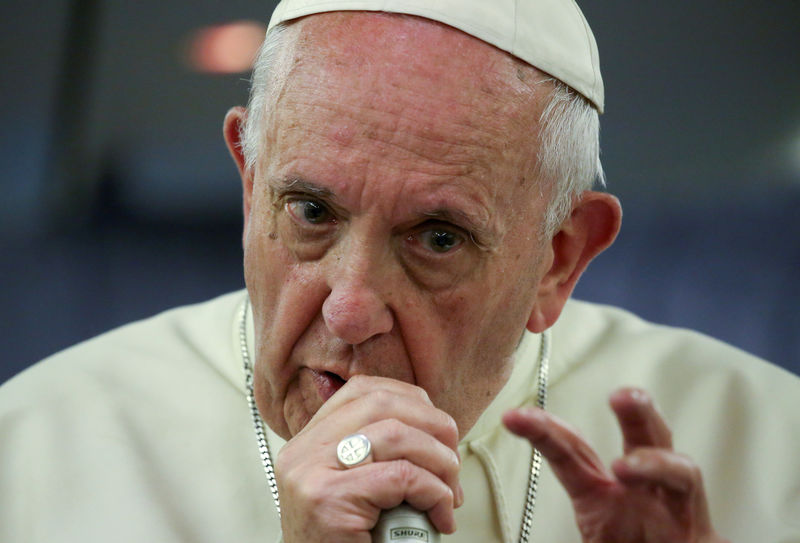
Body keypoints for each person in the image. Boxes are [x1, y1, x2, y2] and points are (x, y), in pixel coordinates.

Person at [1, 0, 799, 541]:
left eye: (438, 238)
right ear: (250, 186)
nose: (350, 310)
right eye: (312, 212)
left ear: (559, 258)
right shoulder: (35, 455)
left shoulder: (770, 449)